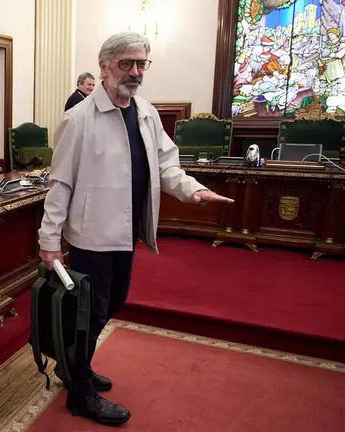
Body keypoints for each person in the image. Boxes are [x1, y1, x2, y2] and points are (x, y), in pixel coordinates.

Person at [37, 32, 233, 426]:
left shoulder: (145, 111)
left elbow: (165, 165)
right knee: (89, 313)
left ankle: (74, 367)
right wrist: (49, 241)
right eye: (126, 63)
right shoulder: (78, 120)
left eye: (141, 63)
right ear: (104, 67)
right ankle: (80, 392)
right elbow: (60, 185)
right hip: (92, 234)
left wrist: (192, 190)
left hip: (127, 232)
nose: (135, 71)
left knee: (112, 303)